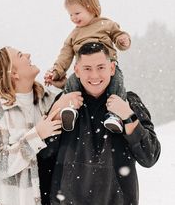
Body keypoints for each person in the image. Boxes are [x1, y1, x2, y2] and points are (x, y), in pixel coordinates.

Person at [41, 42, 161, 205]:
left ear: (112, 68)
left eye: (101, 67)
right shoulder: (65, 103)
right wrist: (56, 110)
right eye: (87, 69)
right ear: (77, 71)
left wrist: (128, 116)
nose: (95, 75)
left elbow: (150, 157)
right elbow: (44, 157)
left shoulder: (129, 102)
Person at [0, 46, 83, 205]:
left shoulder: (45, 99)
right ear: (14, 74)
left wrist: (65, 86)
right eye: (20, 55)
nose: (28, 54)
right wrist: (37, 135)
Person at [44, 0, 131, 133]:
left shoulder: (106, 24)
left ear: (91, 7)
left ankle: (115, 115)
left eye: (77, 13)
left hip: (107, 69)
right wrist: (56, 71)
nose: (74, 18)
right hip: (83, 72)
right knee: (72, 83)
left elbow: (118, 35)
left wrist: (123, 40)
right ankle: (70, 110)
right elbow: (65, 55)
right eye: (70, 15)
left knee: (117, 83)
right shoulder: (74, 35)